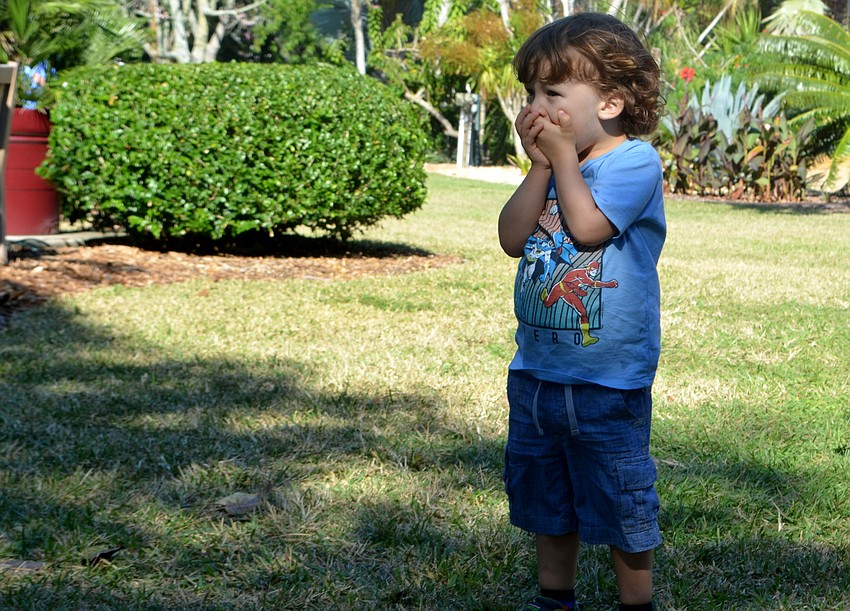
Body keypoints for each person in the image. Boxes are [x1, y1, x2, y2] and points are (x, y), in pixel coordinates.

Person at [497, 12, 666, 611]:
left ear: (612, 102)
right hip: (537, 374)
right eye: (532, 94)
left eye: (553, 93)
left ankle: (635, 604)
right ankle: (554, 600)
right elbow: (513, 238)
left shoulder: (634, 163)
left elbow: (590, 228)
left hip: (608, 381)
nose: (537, 108)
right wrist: (541, 165)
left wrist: (563, 162)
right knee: (548, 499)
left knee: (622, 502)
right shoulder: (550, 167)